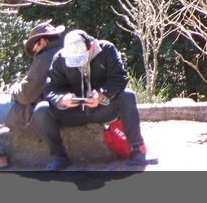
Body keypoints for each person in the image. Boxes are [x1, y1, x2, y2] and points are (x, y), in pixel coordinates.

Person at [32, 29, 157, 170]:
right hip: (72, 112)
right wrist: (62, 99)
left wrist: (103, 95)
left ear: (90, 46)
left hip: (103, 109)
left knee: (127, 96)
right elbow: (50, 89)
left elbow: (119, 78)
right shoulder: (59, 58)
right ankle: (59, 157)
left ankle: (136, 150)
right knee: (41, 110)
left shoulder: (107, 50)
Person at [0, 21, 66, 171]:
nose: (34, 50)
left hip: (31, 111)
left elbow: (26, 95)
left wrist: (14, 89)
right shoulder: (67, 51)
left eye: (35, 46)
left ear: (44, 41)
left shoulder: (45, 58)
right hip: (61, 107)